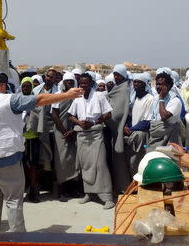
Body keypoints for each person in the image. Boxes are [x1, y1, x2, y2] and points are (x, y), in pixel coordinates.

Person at [0, 71, 83, 232]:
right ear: (3, 86)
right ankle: (17, 238)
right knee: (13, 200)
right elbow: (40, 99)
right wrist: (67, 95)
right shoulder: (9, 99)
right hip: (8, 160)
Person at [68, 73, 114, 209]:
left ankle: (107, 197)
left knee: (100, 165)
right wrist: (80, 123)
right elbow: (71, 116)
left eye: (86, 83)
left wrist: (94, 121)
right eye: (81, 83)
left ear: (91, 83)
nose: (83, 86)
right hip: (82, 135)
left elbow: (108, 113)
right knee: (85, 165)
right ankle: (89, 193)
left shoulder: (99, 96)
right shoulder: (77, 97)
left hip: (95, 133)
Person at [51, 72, 79, 202]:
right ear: (64, 82)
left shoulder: (78, 96)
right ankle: (61, 190)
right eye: (67, 81)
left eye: (72, 82)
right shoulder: (58, 95)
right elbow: (55, 115)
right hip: (60, 132)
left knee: (73, 161)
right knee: (61, 160)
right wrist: (64, 131)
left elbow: (79, 114)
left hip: (74, 132)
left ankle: (72, 189)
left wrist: (73, 131)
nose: (69, 83)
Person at [105, 64, 131, 194]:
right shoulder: (116, 88)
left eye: (118, 75)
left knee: (121, 160)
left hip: (121, 127)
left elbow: (121, 110)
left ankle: (124, 186)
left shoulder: (125, 89)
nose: (116, 77)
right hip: (113, 128)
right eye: (114, 74)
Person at [124, 73, 154, 176]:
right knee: (131, 162)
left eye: (139, 82)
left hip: (142, 135)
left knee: (139, 161)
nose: (136, 84)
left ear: (145, 84)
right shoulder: (134, 99)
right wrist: (126, 127)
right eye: (134, 82)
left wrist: (131, 129)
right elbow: (130, 116)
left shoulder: (150, 99)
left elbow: (147, 121)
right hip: (132, 134)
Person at [147, 68, 183, 152]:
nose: (159, 87)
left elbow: (164, 116)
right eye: (157, 84)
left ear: (169, 86)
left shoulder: (175, 101)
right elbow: (153, 118)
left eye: (162, 84)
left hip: (169, 137)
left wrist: (162, 99)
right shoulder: (155, 99)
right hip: (155, 135)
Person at [20, 77, 40, 203]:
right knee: (21, 166)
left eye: (28, 86)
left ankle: (32, 191)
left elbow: (39, 115)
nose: (26, 88)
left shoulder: (36, 100)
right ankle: (22, 189)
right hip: (20, 137)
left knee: (32, 166)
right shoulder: (17, 99)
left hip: (32, 137)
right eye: (24, 86)